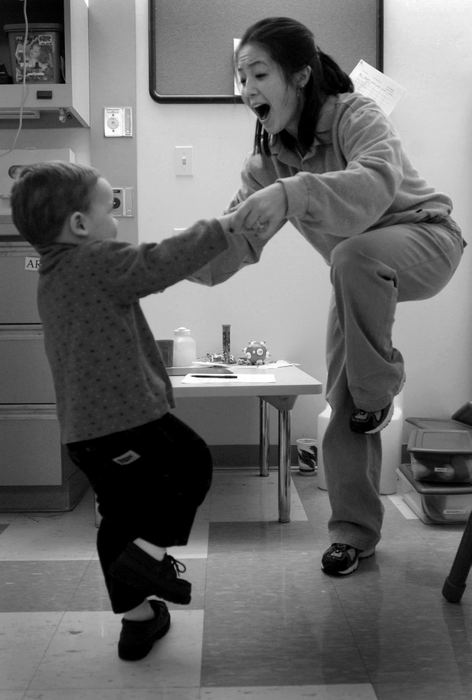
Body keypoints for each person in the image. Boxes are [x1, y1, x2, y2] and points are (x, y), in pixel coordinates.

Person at [194, 16, 465, 576]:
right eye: (240, 78)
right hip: (356, 279)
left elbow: (374, 187)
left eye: (258, 74)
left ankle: (378, 388)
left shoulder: (354, 114)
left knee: (351, 258)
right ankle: (354, 533)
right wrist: (170, 260)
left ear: (299, 75)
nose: (246, 90)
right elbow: (234, 237)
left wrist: (294, 193)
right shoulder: (266, 162)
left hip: (429, 240)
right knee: (344, 402)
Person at [9, 161, 260, 661]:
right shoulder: (93, 260)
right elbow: (159, 262)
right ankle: (146, 561)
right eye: (111, 208)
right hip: (128, 419)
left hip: (83, 434)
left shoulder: (53, 276)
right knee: (190, 463)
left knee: (120, 517)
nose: (116, 220)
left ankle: (138, 621)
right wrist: (225, 225)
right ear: (81, 225)